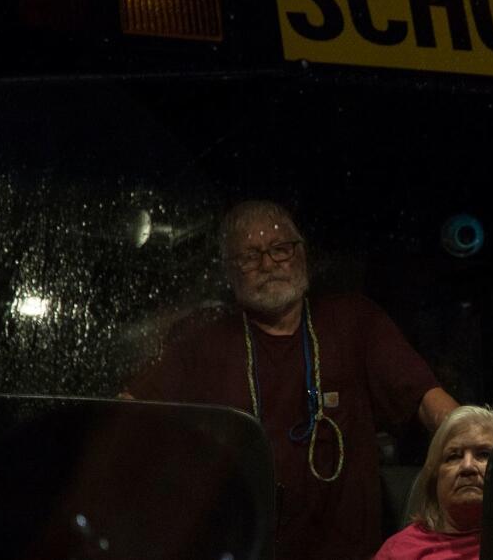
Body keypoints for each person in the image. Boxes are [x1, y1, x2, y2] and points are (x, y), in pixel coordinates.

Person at [126, 200, 459, 560]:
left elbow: (429, 401)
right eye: (249, 257)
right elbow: (128, 412)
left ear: (302, 254)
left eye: (280, 249)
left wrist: (479, 441)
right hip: (240, 546)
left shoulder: (354, 321)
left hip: (348, 551)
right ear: (229, 271)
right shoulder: (201, 338)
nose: (268, 265)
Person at [374, 405, 493, 560]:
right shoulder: (397, 550)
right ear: (434, 478)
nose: (467, 466)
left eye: (483, 454)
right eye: (453, 457)